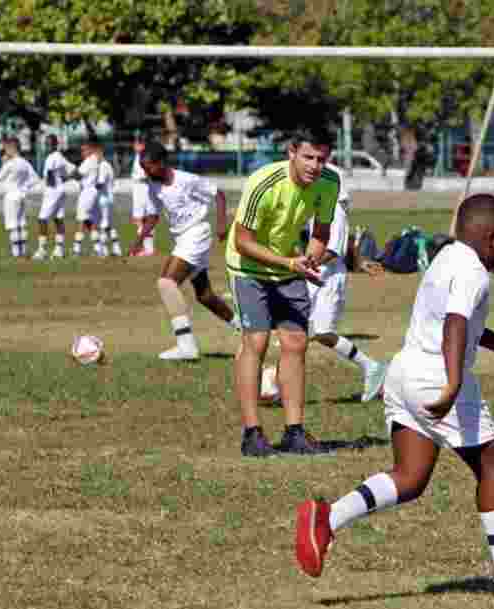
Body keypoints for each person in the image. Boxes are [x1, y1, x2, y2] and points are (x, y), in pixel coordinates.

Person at [294, 194, 494, 605]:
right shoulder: (475, 271)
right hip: (437, 377)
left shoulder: (447, 255)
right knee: (493, 467)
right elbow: (455, 325)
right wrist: (454, 385)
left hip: (404, 371)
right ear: (491, 238)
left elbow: (451, 318)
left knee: (411, 475)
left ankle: (328, 518)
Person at [226, 128, 338, 457]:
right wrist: (290, 262)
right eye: (308, 157)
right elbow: (241, 241)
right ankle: (252, 434)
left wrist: (310, 260)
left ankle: (294, 432)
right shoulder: (263, 182)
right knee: (255, 342)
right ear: (291, 152)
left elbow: (321, 230)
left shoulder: (329, 183)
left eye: (321, 159)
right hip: (248, 267)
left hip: (289, 265)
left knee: (296, 342)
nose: (315, 166)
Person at [260, 163, 389, 405]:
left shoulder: (336, 212)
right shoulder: (321, 208)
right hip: (318, 274)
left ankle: (273, 380)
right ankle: (371, 367)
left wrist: (301, 264)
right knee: (313, 331)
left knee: (312, 331)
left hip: (325, 277)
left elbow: (332, 251)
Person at [131, 141, 237, 360]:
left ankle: (186, 346)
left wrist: (221, 224)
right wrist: (140, 238)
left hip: (197, 233)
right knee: (205, 295)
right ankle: (245, 330)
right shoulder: (153, 184)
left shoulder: (187, 180)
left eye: (148, 166)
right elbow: (153, 215)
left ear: (161, 163)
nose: (145, 171)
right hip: (182, 239)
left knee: (166, 283)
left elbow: (219, 194)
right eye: (142, 167)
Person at [0, 137, 40, 258]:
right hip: (21, 194)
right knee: (21, 222)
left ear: (12, 148)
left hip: (10, 195)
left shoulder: (10, 163)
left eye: (6, 149)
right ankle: (24, 250)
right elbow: (35, 179)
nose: (5, 152)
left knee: (12, 224)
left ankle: (16, 253)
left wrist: (3, 163)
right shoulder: (25, 162)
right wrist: (25, 188)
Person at [34, 135, 75, 260]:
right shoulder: (60, 157)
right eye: (46, 144)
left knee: (42, 219)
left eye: (49, 144)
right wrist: (64, 179)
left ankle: (42, 250)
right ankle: (59, 250)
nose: (47, 146)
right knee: (58, 218)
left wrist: (48, 187)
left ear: (55, 144)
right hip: (60, 189)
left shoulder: (52, 158)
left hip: (53, 191)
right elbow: (72, 169)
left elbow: (50, 175)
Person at [73, 142, 102, 257]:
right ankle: (98, 248)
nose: (82, 153)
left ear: (90, 150)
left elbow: (78, 175)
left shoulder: (88, 161)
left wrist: (70, 169)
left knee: (81, 219)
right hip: (92, 192)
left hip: (87, 192)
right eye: (82, 151)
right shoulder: (94, 160)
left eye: (84, 150)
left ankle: (77, 249)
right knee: (90, 221)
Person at [129, 135, 156, 257]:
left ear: (142, 145)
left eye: (137, 143)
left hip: (142, 187)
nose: (134, 146)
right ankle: (147, 248)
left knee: (139, 219)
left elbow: (146, 173)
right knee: (143, 219)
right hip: (139, 187)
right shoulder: (138, 156)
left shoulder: (144, 157)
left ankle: (145, 248)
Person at [96, 150, 122, 257]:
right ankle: (117, 248)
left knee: (104, 223)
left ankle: (103, 249)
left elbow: (101, 183)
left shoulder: (103, 165)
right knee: (110, 224)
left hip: (104, 198)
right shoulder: (108, 166)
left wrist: (91, 187)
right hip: (109, 197)